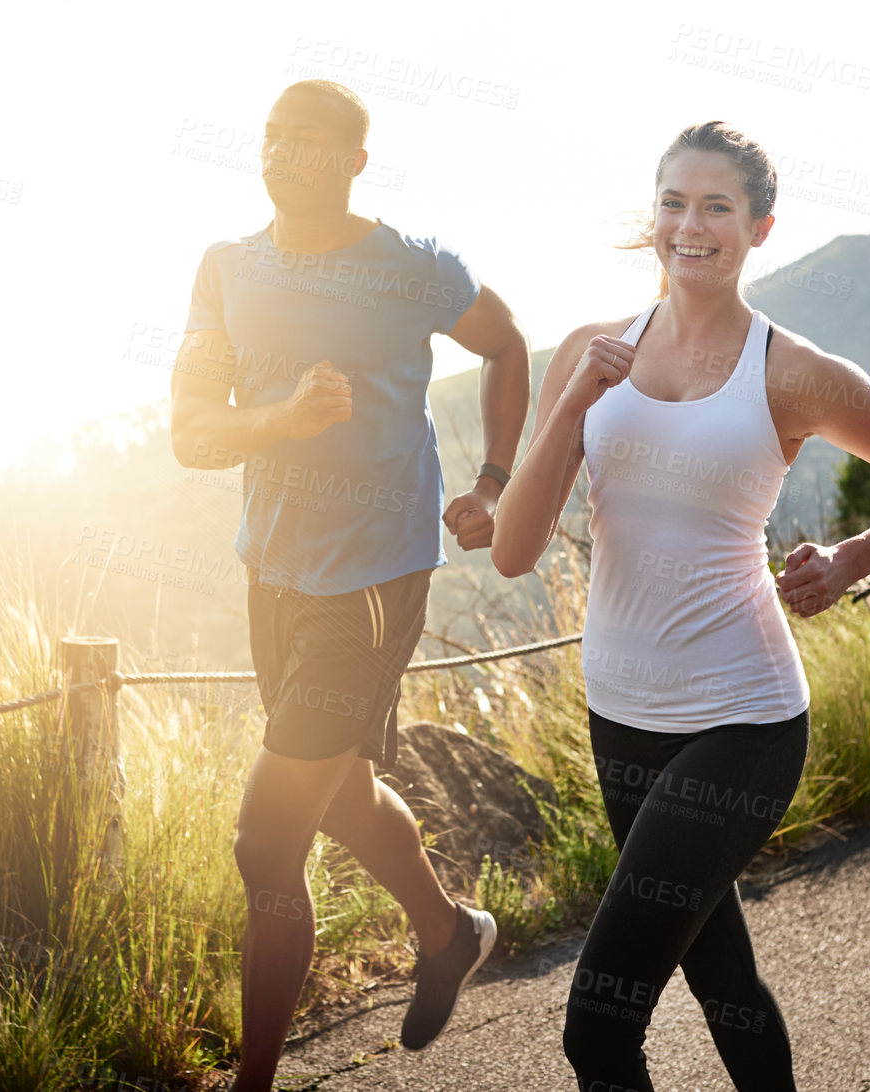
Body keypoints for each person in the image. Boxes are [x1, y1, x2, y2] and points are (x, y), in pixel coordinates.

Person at [490, 120, 870, 1091]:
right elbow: (511, 549)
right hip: (619, 716)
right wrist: (569, 406)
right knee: (722, 977)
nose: (691, 225)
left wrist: (847, 559)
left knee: (599, 1026)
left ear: (760, 224)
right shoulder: (592, 354)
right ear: (653, 215)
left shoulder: (790, 370)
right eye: (674, 202)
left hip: (744, 720)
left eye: (717, 206)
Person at [169, 78, 532, 1090]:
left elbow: (505, 342)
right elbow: (191, 430)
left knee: (264, 843)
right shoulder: (226, 269)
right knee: (338, 794)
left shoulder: (409, 269)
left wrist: (493, 483)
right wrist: (274, 420)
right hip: (273, 576)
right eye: (272, 134)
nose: (284, 153)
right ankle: (449, 932)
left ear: (357, 160)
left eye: (311, 140)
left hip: (371, 582)